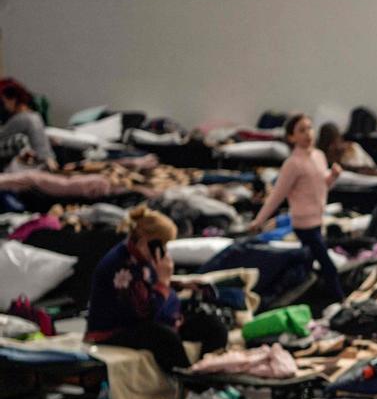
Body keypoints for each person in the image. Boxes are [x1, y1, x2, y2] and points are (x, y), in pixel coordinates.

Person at [85, 206, 228, 373]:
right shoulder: (121, 265)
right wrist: (164, 281)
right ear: (147, 240)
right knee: (163, 336)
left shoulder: (142, 257)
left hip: (144, 322)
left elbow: (149, 287)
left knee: (213, 325)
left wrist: (179, 283)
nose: (165, 251)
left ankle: (208, 376)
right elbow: (147, 313)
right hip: (113, 331)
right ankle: (191, 385)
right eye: (163, 244)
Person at [247, 113, 345, 300]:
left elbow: (321, 185)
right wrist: (259, 220)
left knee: (306, 264)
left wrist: (332, 176)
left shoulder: (319, 156)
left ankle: (299, 298)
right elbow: (277, 195)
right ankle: (341, 301)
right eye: (301, 130)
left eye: (309, 128)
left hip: (317, 219)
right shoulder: (292, 164)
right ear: (292, 137)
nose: (308, 134)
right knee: (328, 266)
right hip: (303, 224)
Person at [0, 80, 54, 168]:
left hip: (35, 164)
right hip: (48, 162)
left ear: (13, 100)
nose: (5, 106)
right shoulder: (35, 115)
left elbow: (2, 136)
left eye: (4, 102)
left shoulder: (21, 119)